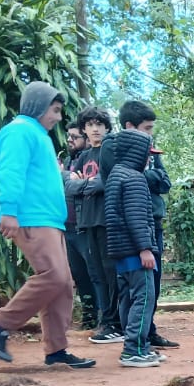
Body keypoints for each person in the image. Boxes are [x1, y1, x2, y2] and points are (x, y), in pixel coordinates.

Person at [0, 81, 95, 369]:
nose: (58, 117)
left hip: (49, 219)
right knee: (54, 277)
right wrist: (8, 210)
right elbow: (9, 171)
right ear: (37, 106)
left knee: (63, 284)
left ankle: (56, 350)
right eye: (54, 110)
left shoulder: (39, 135)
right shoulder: (19, 130)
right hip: (31, 217)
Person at [116, 100, 178, 350]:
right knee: (135, 287)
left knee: (152, 282)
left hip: (152, 224)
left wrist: (147, 175)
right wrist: (144, 177)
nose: (151, 134)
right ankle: (134, 343)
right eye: (147, 128)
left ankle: (146, 333)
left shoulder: (151, 153)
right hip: (132, 231)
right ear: (130, 126)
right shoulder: (115, 151)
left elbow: (165, 182)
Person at [103, 129, 162, 367]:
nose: (149, 159)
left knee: (128, 299)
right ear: (136, 152)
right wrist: (145, 248)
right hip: (136, 252)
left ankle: (139, 346)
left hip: (120, 251)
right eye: (147, 154)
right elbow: (136, 217)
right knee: (144, 298)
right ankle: (133, 350)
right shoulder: (134, 179)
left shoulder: (115, 175)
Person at [70, 105, 124, 345]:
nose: (95, 129)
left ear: (106, 127)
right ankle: (107, 321)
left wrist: (84, 184)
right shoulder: (82, 156)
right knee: (98, 275)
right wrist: (88, 185)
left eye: (99, 124)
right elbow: (69, 187)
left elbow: (107, 181)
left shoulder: (110, 150)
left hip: (107, 220)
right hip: (88, 222)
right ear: (84, 129)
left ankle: (116, 324)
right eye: (90, 125)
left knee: (112, 272)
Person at [61, 121, 97, 329]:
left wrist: (71, 180)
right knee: (80, 275)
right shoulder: (68, 161)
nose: (70, 140)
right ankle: (89, 318)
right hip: (68, 227)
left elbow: (86, 186)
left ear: (86, 139)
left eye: (74, 137)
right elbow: (68, 186)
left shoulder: (92, 159)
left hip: (86, 226)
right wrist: (70, 178)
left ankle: (104, 317)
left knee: (94, 273)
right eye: (69, 136)